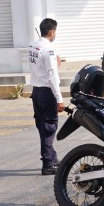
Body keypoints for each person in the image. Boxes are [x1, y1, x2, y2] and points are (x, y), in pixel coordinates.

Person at [29, 18, 64, 175]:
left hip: (36, 91)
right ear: (51, 32)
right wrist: (60, 99)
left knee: (42, 126)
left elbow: (40, 67)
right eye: (55, 31)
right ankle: (48, 164)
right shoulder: (49, 48)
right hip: (47, 92)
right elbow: (52, 75)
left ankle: (51, 156)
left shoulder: (33, 45)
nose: (55, 34)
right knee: (49, 127)